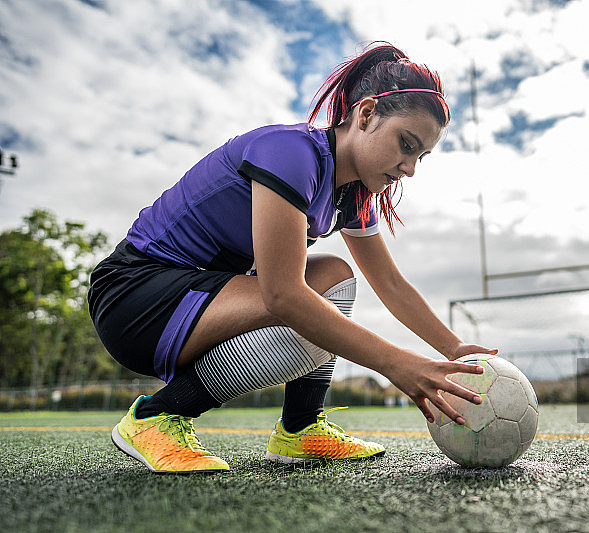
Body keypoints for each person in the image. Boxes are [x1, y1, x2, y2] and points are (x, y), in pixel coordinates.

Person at [88, 42, 496, 474]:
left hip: (196, 301)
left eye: (420, 156)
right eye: (406, 144)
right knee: (302, 301)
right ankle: (159, 416)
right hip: (134, 297)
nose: (410, 168)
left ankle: (300, 428)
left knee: (336, 276)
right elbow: (282, 295)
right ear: (366, 114)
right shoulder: (291, 153)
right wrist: (398, 364)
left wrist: (455, 349)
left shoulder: (353, 195)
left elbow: (391, 286)